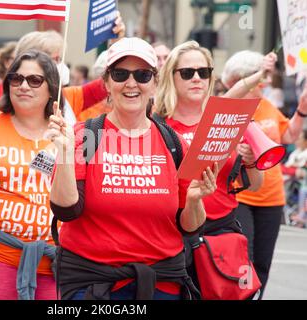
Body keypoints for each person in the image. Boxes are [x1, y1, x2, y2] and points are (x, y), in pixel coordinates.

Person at [48, 37, 218, 300]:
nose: (131, 83)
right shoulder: (84, 135)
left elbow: (190, 227)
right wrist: (65, 154)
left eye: (142, 74)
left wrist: (195, 200)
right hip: (94, 285)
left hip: (162, 286)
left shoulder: (173, 143)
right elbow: (66, 210)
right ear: (106, 82)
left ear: (155, 82)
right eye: (120, 74)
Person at [154, 41, 266, 298]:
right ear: (172, 76)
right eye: (187, 72)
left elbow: (256, 184)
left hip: (223, 236)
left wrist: (250, 160)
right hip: (174, 238)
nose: (196, 78)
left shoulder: (226, 120)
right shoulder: (157, 125)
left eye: (203, 72)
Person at [0, 50, 64, 300]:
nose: (23, 86)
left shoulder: (69, 135)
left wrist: (67, 147)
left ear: (52, 89)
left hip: (54, 264)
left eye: (34, 80)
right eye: (16, 79)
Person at [221, 49, 307, 299]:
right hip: (243, 196)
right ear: (244, 79)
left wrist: (301, 111)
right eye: (262, 77)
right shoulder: (231, 106)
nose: (267, 81)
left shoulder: (268, 105)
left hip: (272, 197)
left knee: (263, 263)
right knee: (243, 260)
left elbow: (288, 136)